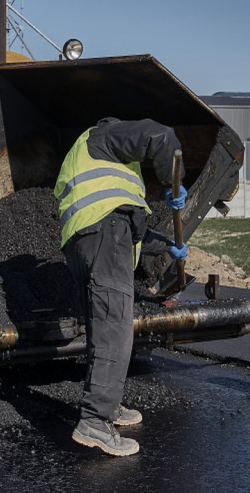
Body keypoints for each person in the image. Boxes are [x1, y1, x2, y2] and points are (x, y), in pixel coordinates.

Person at [55, 117, 189, 456]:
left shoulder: (84, 162)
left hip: (82, 244)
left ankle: (107, 407)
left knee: (103, 328)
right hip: (106, 235)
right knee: (115, 328)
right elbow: (161, 135)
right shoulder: (104, 135)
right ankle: (95, 422)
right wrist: (175, 184)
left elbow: (132, 225)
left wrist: (168, 245)